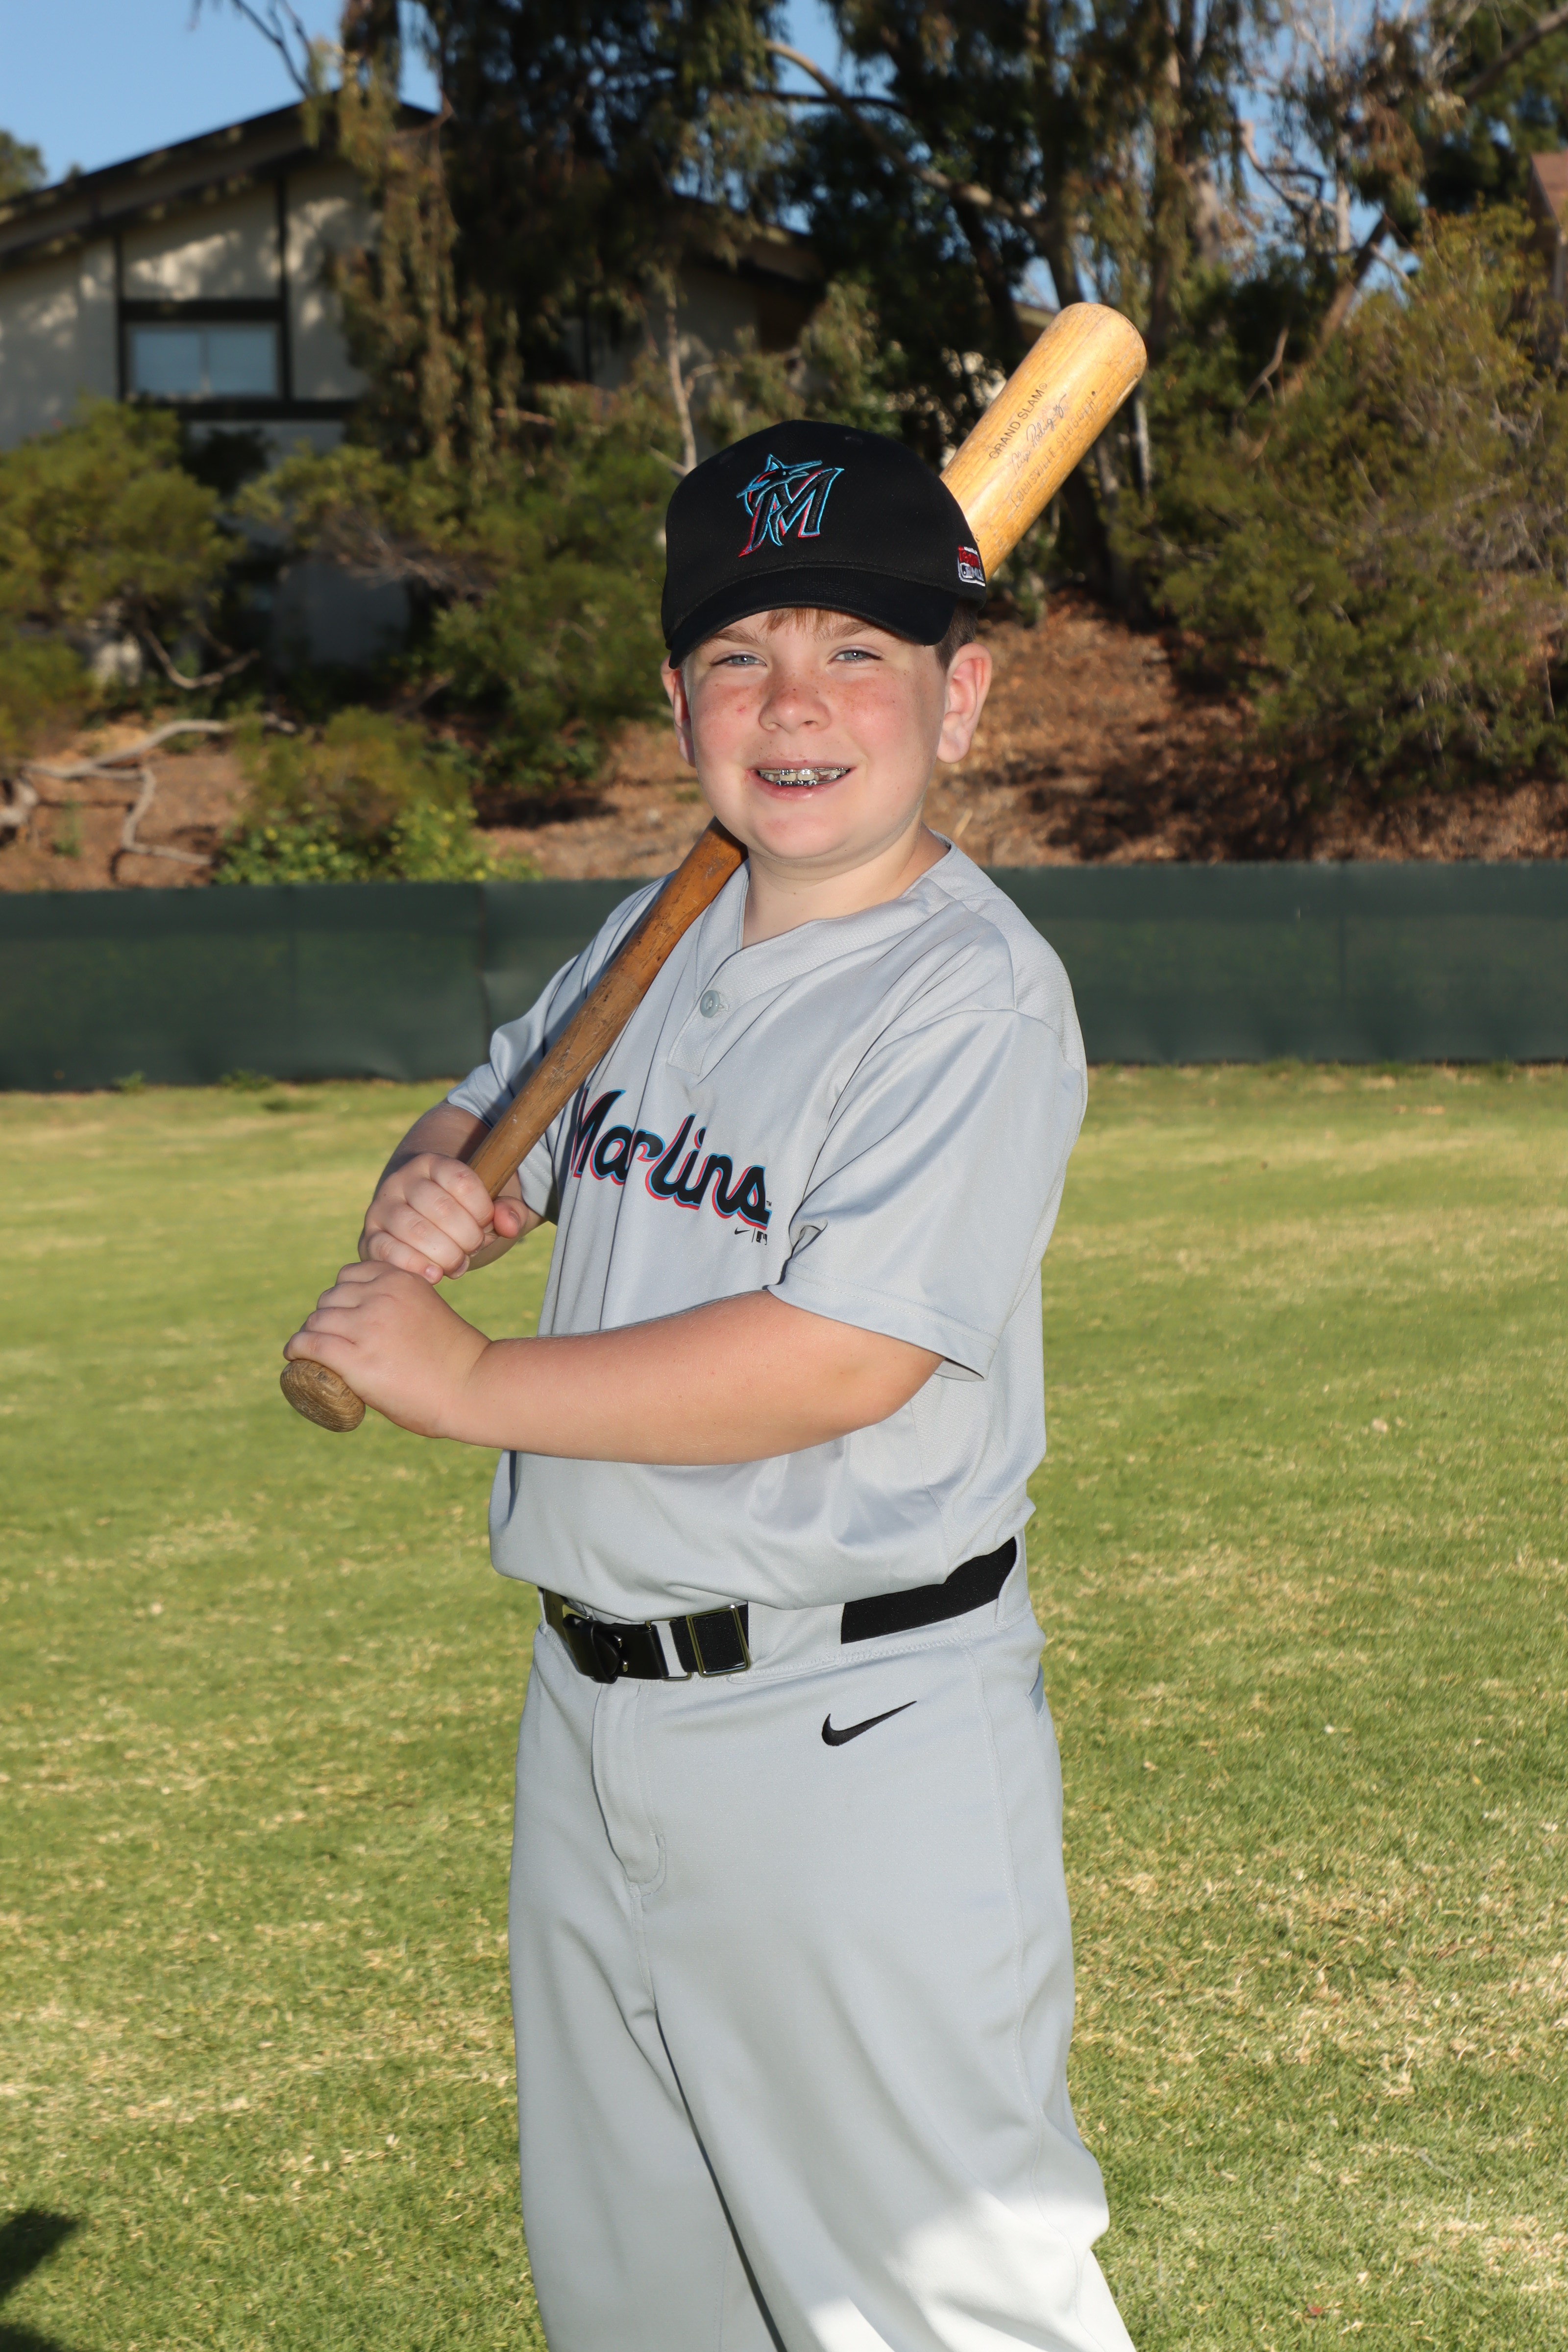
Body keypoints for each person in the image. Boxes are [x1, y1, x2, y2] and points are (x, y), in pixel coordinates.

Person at [284, 420, 1133, 2352]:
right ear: (678, 704)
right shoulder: (658, 931)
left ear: (961, 699)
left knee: (935, 2299)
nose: (795, 702)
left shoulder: (970, 993)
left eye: (859, 652)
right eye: (741, 655)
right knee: (642, 2299)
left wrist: (468, 1376)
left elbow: (839, 1354)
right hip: (593, 1716)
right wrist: (440, 1177)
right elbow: (491, 1109)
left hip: (848, 1730)